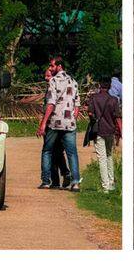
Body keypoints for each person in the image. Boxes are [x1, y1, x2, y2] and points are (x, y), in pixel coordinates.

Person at [37, 57, 81, 191]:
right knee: (72, 153)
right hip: (69, 123)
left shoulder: (53, 81)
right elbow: (77, 105)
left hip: (55, 122)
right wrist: (73, 117)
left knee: (47, 151)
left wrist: (43, 123)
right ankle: (75, 182)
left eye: (52, 66)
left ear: (59, 66)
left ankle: (46, 181)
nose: (50, 68)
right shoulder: (73, 81)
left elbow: (51, 103)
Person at [87, 77, 121, 192]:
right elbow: (117, 118)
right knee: (109, 156)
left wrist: (94, 118)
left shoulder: (93, 98)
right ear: (110, 86)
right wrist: (120, 132)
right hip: (110, 131)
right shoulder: (114, 100)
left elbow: (90, 112)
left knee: (102, 158)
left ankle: (105, 187)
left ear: (99, 85)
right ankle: (111, 183)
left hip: (99, 131)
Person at [43, 67, 70, 188]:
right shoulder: (52, 87)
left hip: (53, 124)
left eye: (48, 76)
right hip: (62, 123)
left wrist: (43, 123)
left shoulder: (54, 87)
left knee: (49, 151)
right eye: (46, 76)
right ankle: (62, 175)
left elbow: (50, 106)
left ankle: (51, 180)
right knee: (57, 152)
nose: (46, 78)